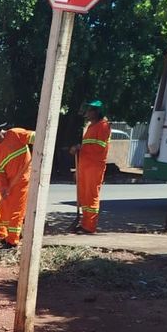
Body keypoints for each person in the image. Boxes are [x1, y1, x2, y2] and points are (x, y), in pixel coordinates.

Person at [0, 120, 34, 248]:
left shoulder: (15, 134)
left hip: (22, 179)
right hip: (9, 182)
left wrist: (39, 146)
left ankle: (13, 241)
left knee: (16, 211)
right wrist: (4, 187)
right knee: (6, 211)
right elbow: (0, 170)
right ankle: (7, 236)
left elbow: (36, 137)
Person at [70, 100, 111, 234]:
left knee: (91, 195)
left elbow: (99, 148)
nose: (86, 113)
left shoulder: (103, 126)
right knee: (84, 195)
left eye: (89, 111)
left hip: (94, 166)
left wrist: (80, 148)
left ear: (96, 112)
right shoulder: (91, 127)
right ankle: (85, 224)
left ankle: (90, 226)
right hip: (85, 165)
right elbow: (88, 146)